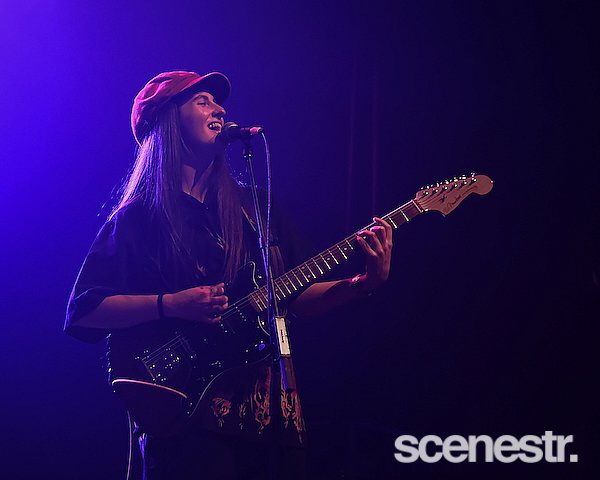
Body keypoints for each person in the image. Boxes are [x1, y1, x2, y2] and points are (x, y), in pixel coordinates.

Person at [65, 70, 393, 479]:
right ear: (167, 121)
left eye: (218, 102)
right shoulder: (139, 219)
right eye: (202, 101)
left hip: (272, 418)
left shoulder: (253, 207)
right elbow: (85, 312)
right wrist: (171, 305)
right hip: (190, 421)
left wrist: (363, 285)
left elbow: (291, 298)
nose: (219, 109)